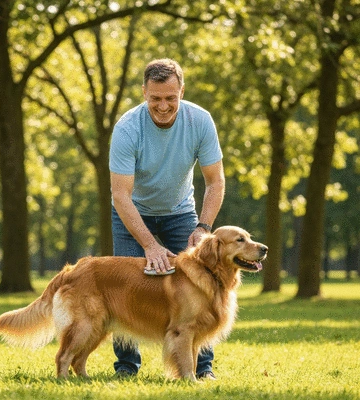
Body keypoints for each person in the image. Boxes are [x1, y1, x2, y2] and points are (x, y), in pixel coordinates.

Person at [109, 58, 225, 380]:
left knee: (201, 286)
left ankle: (202, 369)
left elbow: (215, 181)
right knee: (125, 290)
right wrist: (149, 245)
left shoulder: (200, 121)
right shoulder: (127, 128)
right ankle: (127, 368)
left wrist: (203, 228)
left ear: (181, 91)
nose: (163, 106)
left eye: (170, 98)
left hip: (180, 212)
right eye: (155, 98)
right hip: (132, 211)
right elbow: (120, 195)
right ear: (144, 92)